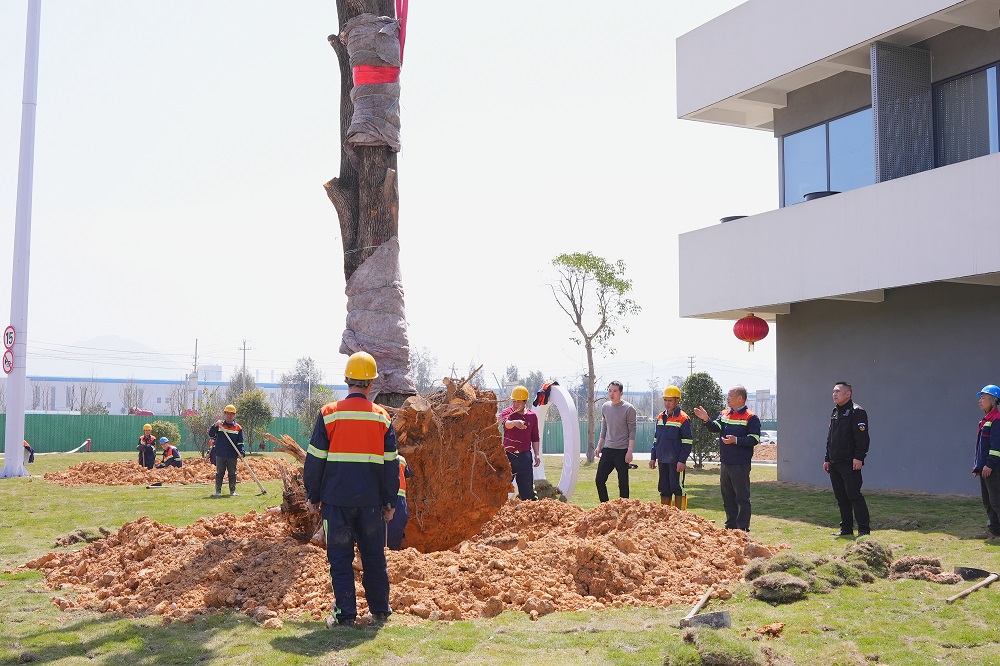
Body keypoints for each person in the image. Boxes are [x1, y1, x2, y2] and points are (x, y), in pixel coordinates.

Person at [303, 351, 399, 628]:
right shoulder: (382, 417)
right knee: (374, 557)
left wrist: (313, 495)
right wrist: (390, 502)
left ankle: (344, 615)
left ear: (347, 380)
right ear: (371, 383)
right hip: (371, 503)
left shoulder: (329, 414)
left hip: (336, 502)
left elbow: (315, 459)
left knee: (340, 559)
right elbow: (391, 465)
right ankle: (380, 611)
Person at [693, 385, 761, 531]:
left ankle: (742, 529)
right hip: (725, 462)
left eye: (730, 395)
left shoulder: (751, 417)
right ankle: (730, 527)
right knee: (727, 497)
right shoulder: (725, 414)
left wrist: (735, 440)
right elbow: (715, 427)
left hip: (740, 464)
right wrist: (706, 419)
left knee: (742, 497)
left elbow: (754, 439)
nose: (727, 398)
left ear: (740, 398)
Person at [823, 381, 870, 537]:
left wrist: (859, 457)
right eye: (833, 391)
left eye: (837, 391)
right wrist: (827, 458)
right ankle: (846, 529)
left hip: (850, 462)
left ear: (848, 394)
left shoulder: (857, 412)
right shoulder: (835, 412)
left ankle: (863, 530)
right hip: (835, 462)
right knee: (841, 498)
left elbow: (862, 438)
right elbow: (830, 438)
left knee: (854, 495)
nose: (834, 394)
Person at [649, 386, 693, 508]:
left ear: (677, 400)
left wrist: (682, 460)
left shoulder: (683, 418)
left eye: (670, 400)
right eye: (665, 400)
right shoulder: (660, 417)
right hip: (662, 459)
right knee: (664, 488)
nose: (667, 403)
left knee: (677, 487)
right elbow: (656, 439)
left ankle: (680, 516)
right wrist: (653, 457)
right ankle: (665, 515)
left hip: (676, 461)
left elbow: (687, 442)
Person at [595, 381, 637, 502]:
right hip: (608, 449)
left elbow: (632, 431)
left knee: (623, 483)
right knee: (599, 480)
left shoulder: (629, 408)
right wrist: (599, 446)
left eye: (615, 391)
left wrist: (629, 451)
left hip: (622, 450)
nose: (611, 394)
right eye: (609, 391)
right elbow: (604, 428)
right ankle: (606, 506)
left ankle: (624, 509)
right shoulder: (605, 407)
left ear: (621, 393)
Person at [498, 385, 541, 501]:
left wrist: (537, 454)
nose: (515, 404)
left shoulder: (532, 416)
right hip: (508, 457)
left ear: (525, 401)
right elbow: (506, 424)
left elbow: (535, 437)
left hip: (525, 457)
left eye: (519, 402)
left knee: (527, 491)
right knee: (501, 488)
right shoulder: (507, 412)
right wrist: (515, 422)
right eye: (514, 401)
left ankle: (529, 510)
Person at [973, 384, 1000, 539]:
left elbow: (996, 446)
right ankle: (995, 532)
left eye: (983, 398)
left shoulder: (997, 420)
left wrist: (989, 464)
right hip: (985, 468)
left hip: (993, 469)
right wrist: (978, 467)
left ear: (993, 400)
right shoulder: (984, 421)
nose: (980, 401)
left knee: (996, 502)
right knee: (987, 502)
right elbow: (981, 447)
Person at [208, 404, 244, 497]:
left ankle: (232, 491)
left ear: (234, 415)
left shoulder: (238, 428)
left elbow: (240, 442)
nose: (229, 416)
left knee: (232, 473)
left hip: (232, 455)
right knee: (219, 473)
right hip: (220, 454)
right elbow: (211, 434)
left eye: (231, 414)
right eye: (228, 413)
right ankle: (218, 491)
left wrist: (241, 452)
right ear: (225, 414)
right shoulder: (220, 425)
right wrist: (215, 425)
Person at [386, 453, 413, 550]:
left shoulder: (377, 456)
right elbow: (408, 474)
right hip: (401, 503)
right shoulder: (401, 459)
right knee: (395, 533)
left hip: (386, 499)